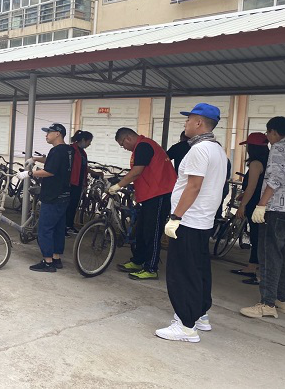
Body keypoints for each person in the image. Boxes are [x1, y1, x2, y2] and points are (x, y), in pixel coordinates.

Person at [159, 103, 227, 343]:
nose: (185, 124)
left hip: (188, 220)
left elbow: (194, 186)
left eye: (188, 120)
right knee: (198, 269)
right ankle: (200, 315)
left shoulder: (199, 150)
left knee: (182, 273)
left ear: (199, 122)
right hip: (203, 220)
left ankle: (186, 325)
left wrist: (175, 217)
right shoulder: (217, 149)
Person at [241, 116, 285, 319]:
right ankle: (283, 300)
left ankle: (267, 303)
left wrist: (261, 205)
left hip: (275, 209)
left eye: (268, 133)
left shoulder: (278, 148)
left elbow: (275, 179)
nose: (268, 138)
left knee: (269, 255)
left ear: (274, 132)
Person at [110, 128, 176, 280]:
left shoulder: (144, 146)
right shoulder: (142, 146)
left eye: (122, 144)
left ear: (127, 138)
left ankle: (151, 268)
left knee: (152, 232)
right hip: (150, 195)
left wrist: (118, 186)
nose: (124, 148)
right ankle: (138, 261)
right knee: (140, 231)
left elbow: (137, 172)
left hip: (159, 194)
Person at [17, 123, 72, 272]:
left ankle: (48, 262)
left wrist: (29, 173)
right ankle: (56, 258)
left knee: (45, 229)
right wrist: (35, 159)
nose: (46, 135)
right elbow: (53, 162)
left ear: (57, 134)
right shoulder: (67, 150)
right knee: (58, 228)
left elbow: (50, 171)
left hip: (53, 195)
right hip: (65, 194)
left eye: (49, 132)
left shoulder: (56, 150)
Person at [231, 132, 269, 285]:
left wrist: (242, 206)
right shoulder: (269, 161)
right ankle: (252, 267)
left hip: (255, 204)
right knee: (258, 236)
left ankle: (258, 271)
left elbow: (252, 187)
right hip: (264, 203)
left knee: (256, 236)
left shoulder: (255, 164)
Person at [66, 130, 94, 235]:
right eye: (89, 141)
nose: (89, 144)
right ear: (83, 140)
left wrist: (94, 173)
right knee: (68, 206)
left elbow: (84, 167)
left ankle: (69, 225)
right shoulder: (71, 150)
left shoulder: (82, 152)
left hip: (78, 183)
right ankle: (64, 227)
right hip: (70, 183)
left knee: (74, 205)